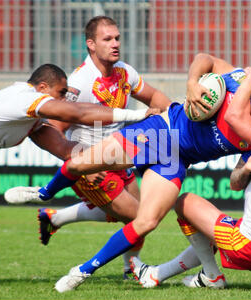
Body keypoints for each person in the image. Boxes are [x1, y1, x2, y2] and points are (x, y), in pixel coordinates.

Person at [4, 52, 251, 293]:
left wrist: (246, 169)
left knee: (146, 221)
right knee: (79, 164)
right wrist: (192, 84)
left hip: (176, 160)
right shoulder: (241, 83)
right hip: (157, 132)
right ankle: (44, 193)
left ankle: (82, 271)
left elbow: (236, 184)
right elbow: (205, 59)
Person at [0, 63, 158, 286]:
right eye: (62, 93)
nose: (66, 98)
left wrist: (96, 163)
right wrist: (137, 115)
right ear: (42, 87)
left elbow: (64, 149)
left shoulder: (30, 117)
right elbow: (78, 113)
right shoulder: (25, 98)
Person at [130, 66, 251, 289]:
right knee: (212, 231)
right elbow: (235, 184)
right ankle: (156, 274)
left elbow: (233, 116)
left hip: (250, 247)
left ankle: (212, 275)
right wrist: (247, 170)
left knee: (184, 202)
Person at [31, 16, 171, 279]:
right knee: (139, 217)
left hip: (119, 157)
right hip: (91, 163)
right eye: (108, 39)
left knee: (139, 217)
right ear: (91, 44)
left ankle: (55, 219)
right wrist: (79, 160)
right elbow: (54, 129)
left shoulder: (125, 72)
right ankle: (129, 271)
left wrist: (171, 117)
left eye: (117, 38)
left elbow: (153, 96)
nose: (115, 43)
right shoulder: (79, 82)